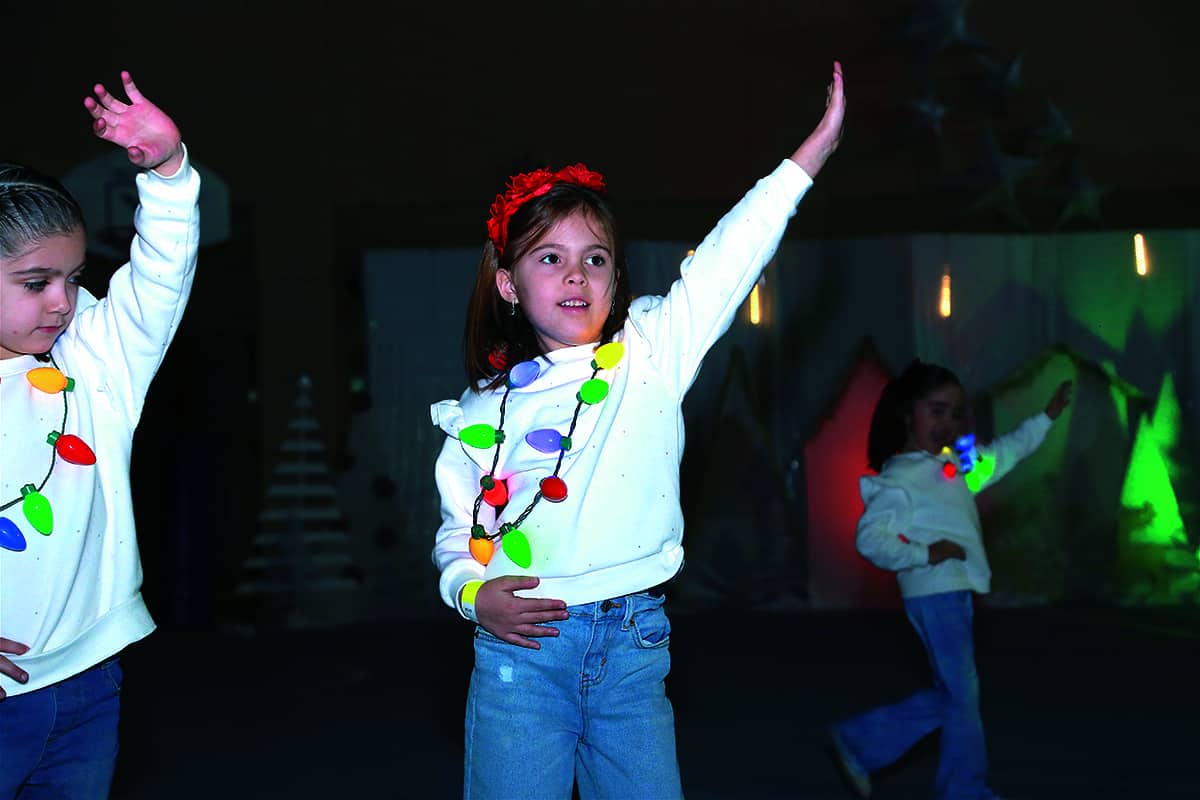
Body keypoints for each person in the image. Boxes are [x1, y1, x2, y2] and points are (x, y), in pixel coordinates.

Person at [429, 63, 845, 799]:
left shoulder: (650, 352)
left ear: (617, 280)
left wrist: (804, 160)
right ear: (508, 283)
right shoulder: (480, 410)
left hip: (633, 646)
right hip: (521, 656)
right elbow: (456, 532)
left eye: (595, 260)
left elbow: (726, 261)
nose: (576, 277)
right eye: (549, 259)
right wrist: (470, 593)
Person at [0, 72, 200, 797]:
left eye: (74, 276)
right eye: (35, 282)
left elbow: (159, 280)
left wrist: (169, 173)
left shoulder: (95, 362)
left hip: (89, 686)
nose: (64, 301)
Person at [829, 360, 1071, 800]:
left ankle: (865, 743)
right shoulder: (900, 479)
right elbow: (870, 539)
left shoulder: (956, 465)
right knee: (961, 695)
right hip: (934, 593)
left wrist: (1046, 418)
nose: (948, 423)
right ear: (908, 413)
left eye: (956, 412)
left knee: (957, 694)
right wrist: (925, 553)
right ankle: (961, 788)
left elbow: (1004, 454)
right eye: (936, 410)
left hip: (953, 593)